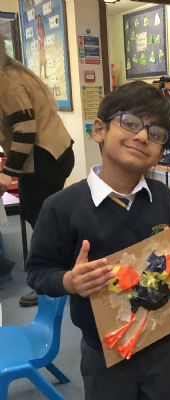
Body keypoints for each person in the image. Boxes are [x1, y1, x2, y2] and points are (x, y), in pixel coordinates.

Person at [26, 81, 170, 400]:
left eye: (156, 134)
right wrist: (69, 281)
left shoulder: (162, 198)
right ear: (100, 130)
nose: (143, 136)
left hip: (163, 342)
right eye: (130, 123)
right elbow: (37, 272)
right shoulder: (62, 207)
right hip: (105, 350)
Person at [0, 33, 74, 307]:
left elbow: (25, 129)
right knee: (46, 218)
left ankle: (49, 284)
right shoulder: (15, 71)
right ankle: (63, 272)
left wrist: (8, 172)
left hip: (44, 158)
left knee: (41, 222)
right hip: (57, 152)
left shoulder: (6, 80)